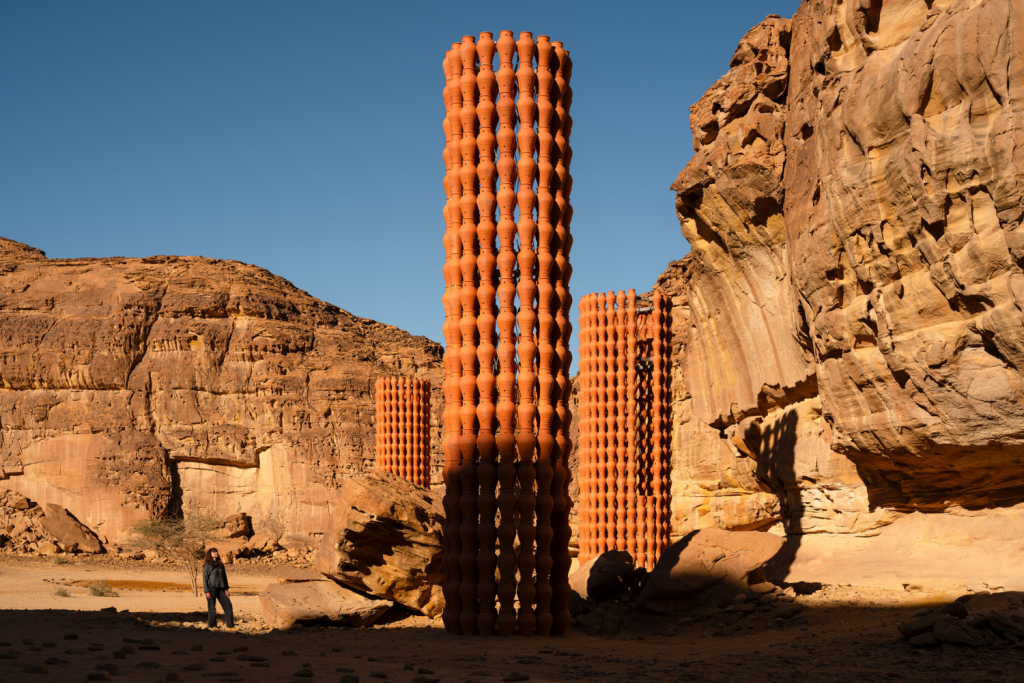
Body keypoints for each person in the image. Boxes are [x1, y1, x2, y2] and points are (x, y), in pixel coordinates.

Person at [203, 548, 234, 629]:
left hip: (221, 588)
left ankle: (230, 625)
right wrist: (207, 591)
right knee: (212, 608)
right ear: (210, 554)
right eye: (213, 552)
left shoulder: (220, 564)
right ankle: (212, 625)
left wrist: (226, 589)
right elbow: (205, 579)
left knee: (228, 606)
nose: (216, 553)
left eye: (216, 551)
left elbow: (224, 577)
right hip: (211, 588)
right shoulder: (207, 565)